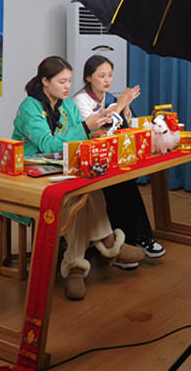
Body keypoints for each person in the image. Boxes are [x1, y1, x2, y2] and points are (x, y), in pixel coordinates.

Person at [12, 55, 145, 300]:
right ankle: (106, 243)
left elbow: (80, 138)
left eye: (69, 81)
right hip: (31, 174)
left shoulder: (67, 105)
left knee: (86, 189)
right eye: (62, 81)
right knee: (76, 195)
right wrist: (85, 128)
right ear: (45, 81)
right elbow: (46, 144)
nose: (67, 87)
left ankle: (76, 266)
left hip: (61, 169)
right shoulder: (30, 107)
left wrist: (96, 131)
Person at [72, 55, 166, 259]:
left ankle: (133, 238)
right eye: (102, 76)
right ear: (88, 78)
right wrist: (119, 106)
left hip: (108, 156)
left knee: (126, 180)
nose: (107, 80)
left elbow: (124, 127)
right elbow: (96, 132)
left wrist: (125, 108)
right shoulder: (80, 100)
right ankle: (134, 239)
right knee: (121, 184)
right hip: (86, 158)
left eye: (110, 75)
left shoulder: (108, 98)